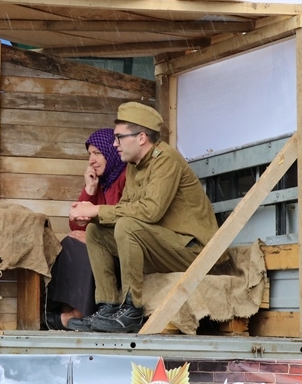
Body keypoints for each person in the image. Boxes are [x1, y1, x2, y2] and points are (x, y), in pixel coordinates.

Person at [67, 102, 224, 333]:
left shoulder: (166, 160)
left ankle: (131, 311)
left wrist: (97, 210)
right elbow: (125, 207)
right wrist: (91, 216)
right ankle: (108, 308)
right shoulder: (134, 165)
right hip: (164, 245)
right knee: (96, 231)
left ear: (141, 138)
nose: (115, 144)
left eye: (119, 137)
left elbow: (150, 211)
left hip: (194, 251)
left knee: (127, 226)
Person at [44, 128, 126, 330]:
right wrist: (89, 190)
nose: (91, 160)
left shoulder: (124, 179)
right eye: (89, 154)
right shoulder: (102, 182)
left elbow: (125, 219)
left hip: (122, 246)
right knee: (70, 241)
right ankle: (68, 311)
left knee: (82, 247)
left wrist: (90, 235)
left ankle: (79, 314)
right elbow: (76, 224)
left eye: (97, 153)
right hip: (103, 240)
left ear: (111, 153)